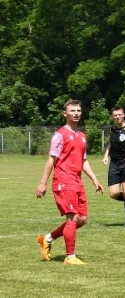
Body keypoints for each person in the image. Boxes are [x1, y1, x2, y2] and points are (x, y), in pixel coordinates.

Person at [35, 99, 105, 265]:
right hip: (63, 180)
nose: (76, 114)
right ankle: (70, 256)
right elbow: (51, 159)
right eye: (72, 111)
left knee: (82, 219)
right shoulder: (60, 135)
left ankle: (47, 238)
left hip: (77, 181)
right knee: (72, 218)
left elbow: (84, 160)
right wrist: (42, 183)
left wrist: (95, 179)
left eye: (78, 111)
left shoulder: (81, 136)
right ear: (65, 113)